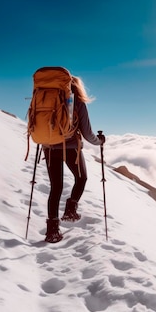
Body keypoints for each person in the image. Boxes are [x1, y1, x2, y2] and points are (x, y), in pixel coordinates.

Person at [43, 75, 105, 243]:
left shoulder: (45, 98)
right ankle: (70, 209)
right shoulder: (77, 101)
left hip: (49, 147)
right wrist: (99, 141)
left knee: (55, 188)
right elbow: (87, 133)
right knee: (81, 178)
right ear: (77, 87)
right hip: (71, 148)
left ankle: (52, 231)